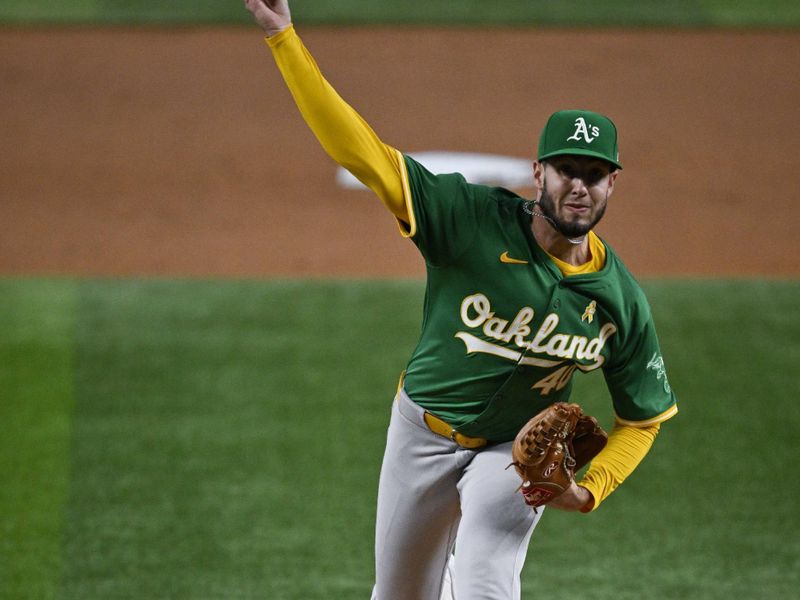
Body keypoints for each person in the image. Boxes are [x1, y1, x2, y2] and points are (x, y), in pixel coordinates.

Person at [244, 1, 678, 598]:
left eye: (594, 174)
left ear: (611, 184)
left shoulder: (620, 300)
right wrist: (284, 38)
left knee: (486, 583)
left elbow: (644, 419)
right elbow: (362, 154)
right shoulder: (468, 220)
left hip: (515, 451)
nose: (579, 185)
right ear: (539, 172)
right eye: (566, 169)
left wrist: (587, 489)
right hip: (422, 433)